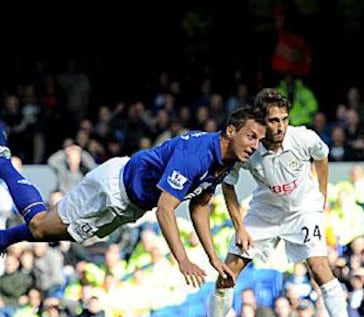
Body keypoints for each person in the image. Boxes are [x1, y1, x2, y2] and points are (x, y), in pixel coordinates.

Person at [0, 106, 266, 289]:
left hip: (130, 205)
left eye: (259, 140)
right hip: (113, 189)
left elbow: (200, 205)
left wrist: (213, 259)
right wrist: (183, 260)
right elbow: (165, 210)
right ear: (231, 130)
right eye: (251, 137)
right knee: (38, 226)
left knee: (61, 233)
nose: (254, 146)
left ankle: (5, 237)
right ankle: (3, 161)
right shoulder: (197, 155)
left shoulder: (226, 160)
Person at [191, 89, 357, 317]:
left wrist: (321, 197)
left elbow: (322, 155)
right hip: (264, 213)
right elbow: (229, 187)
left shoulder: (303, 137)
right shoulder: (249, 147)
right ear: (261, 121)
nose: (280, 126)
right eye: (273, 120)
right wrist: (239, 227)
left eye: (284, 119)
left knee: (319, 268)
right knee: (228, 273)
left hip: (302, 211)